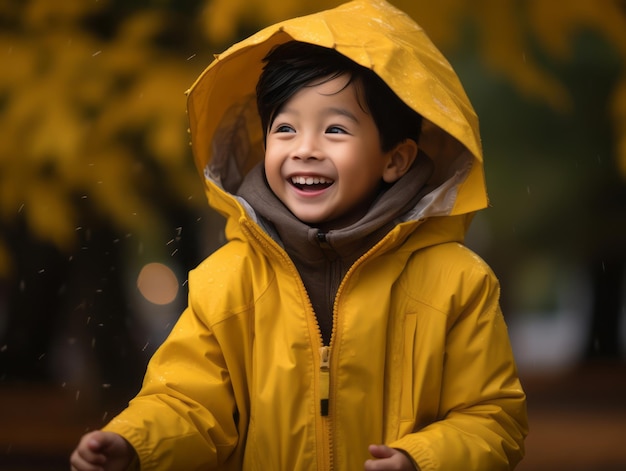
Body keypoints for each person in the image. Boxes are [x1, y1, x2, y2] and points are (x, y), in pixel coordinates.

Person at [70, 0, 528, 469]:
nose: (305, 149)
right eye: (285, 128)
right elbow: (189, 404)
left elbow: (492, 419)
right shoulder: (229, 281)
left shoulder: (457, 283)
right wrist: (134, 444)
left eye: (334, 129)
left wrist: (422, 459)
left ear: (395, 159)